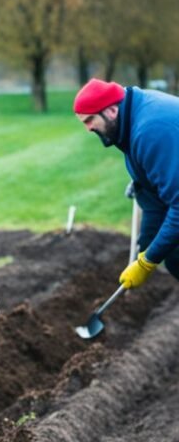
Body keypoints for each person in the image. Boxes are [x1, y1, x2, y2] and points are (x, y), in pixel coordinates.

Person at [74, 78, 179, 287]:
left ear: (111, 111)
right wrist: (143, 252)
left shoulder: (150, 129)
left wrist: (147, 263)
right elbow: (155, 202)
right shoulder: (130, 117)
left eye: (89, 120)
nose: (88, 128)